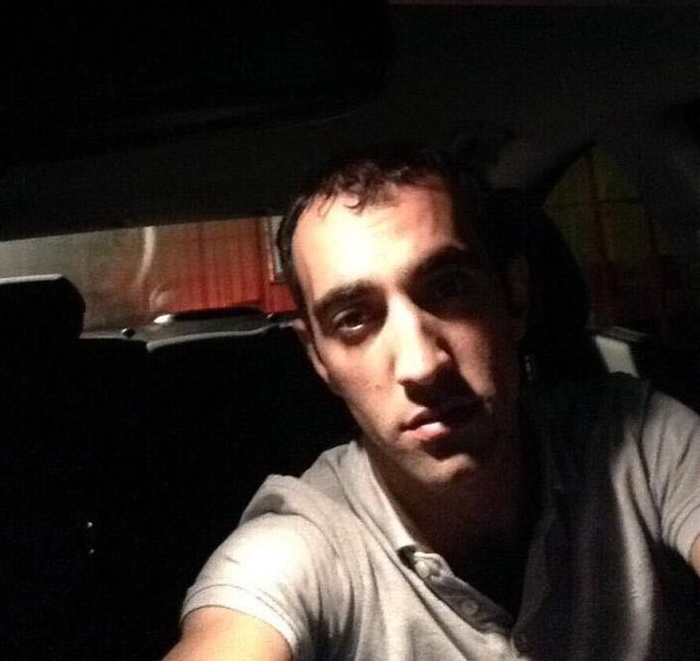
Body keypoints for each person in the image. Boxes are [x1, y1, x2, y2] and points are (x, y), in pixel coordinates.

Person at [164, 145, 700, 660]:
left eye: (448, 288)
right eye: (353, 318)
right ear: (318, 358)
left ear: (513, 297)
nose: (422, 365)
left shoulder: (642, 445)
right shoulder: (299, 548)